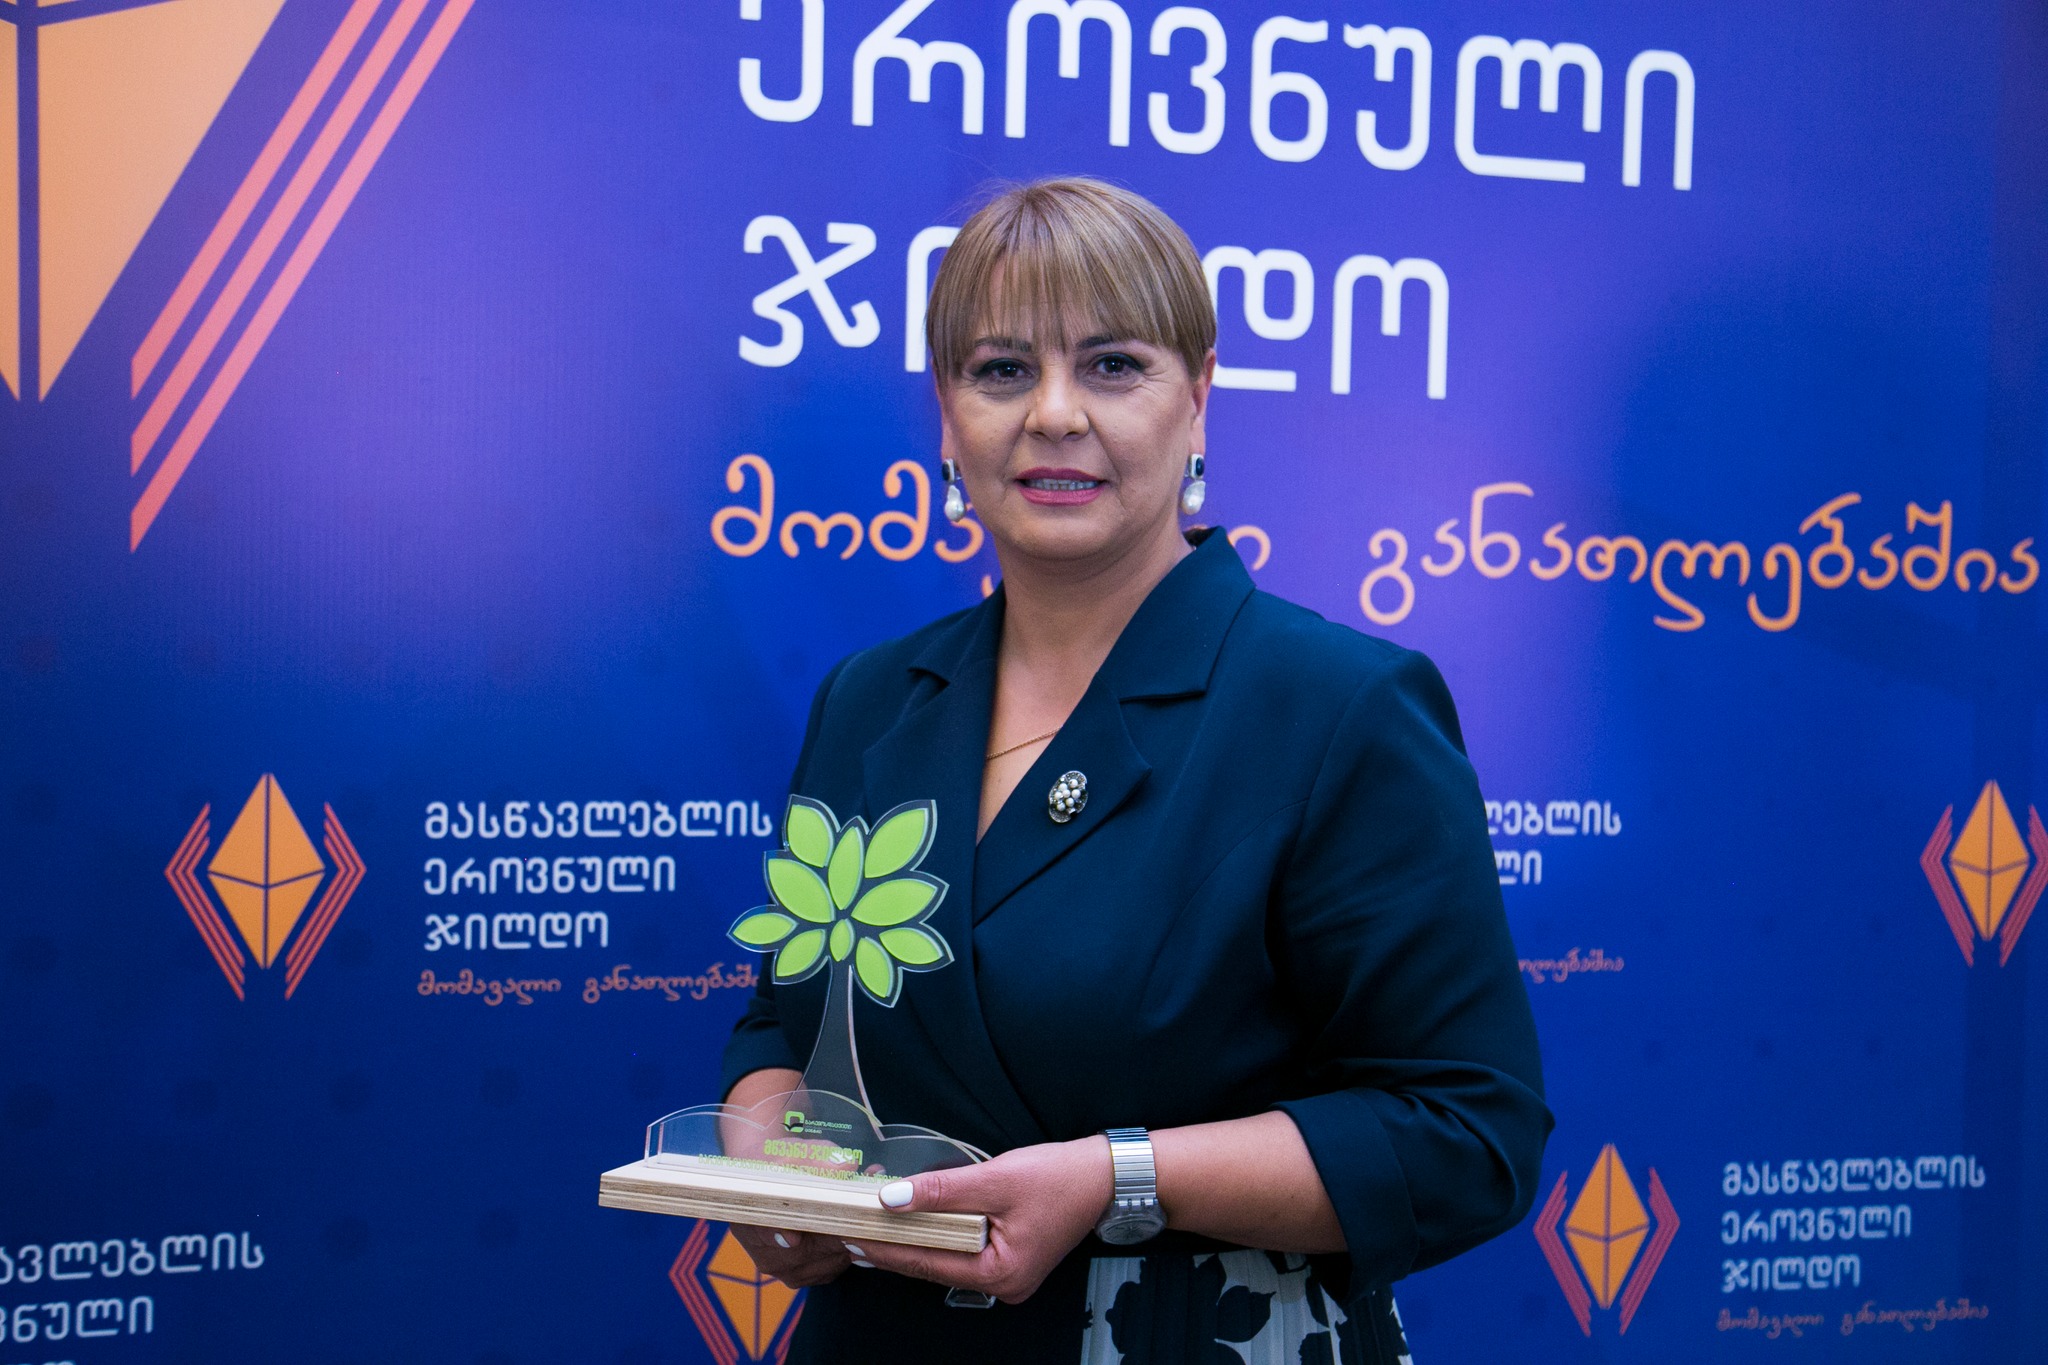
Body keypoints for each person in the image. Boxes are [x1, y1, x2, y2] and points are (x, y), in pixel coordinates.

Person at [717, 177, 1548, 1364]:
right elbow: (784, 1019)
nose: (1053, 413)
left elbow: (1464, 1135)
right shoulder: (869, 698)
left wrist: (1117, 1179)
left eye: (1112, 366)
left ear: (1197, 397)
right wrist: (766, 1160)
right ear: (945, 416)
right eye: (1001, 370)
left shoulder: (1337, 706)